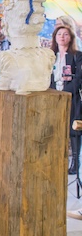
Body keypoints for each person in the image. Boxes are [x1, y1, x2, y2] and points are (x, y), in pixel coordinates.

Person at [49, 25, 82, 174]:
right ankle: (56, 160)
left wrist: (64, 93)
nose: (62, 37)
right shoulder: (50, 56)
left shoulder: (77, 55)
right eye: (59, 34)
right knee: (55, 129)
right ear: (55, 38)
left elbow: (78, 78)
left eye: (65, 34)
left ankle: (75, 162)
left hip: (71, 97)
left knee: (73, 131)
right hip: (53, 97)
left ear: (71, 37)